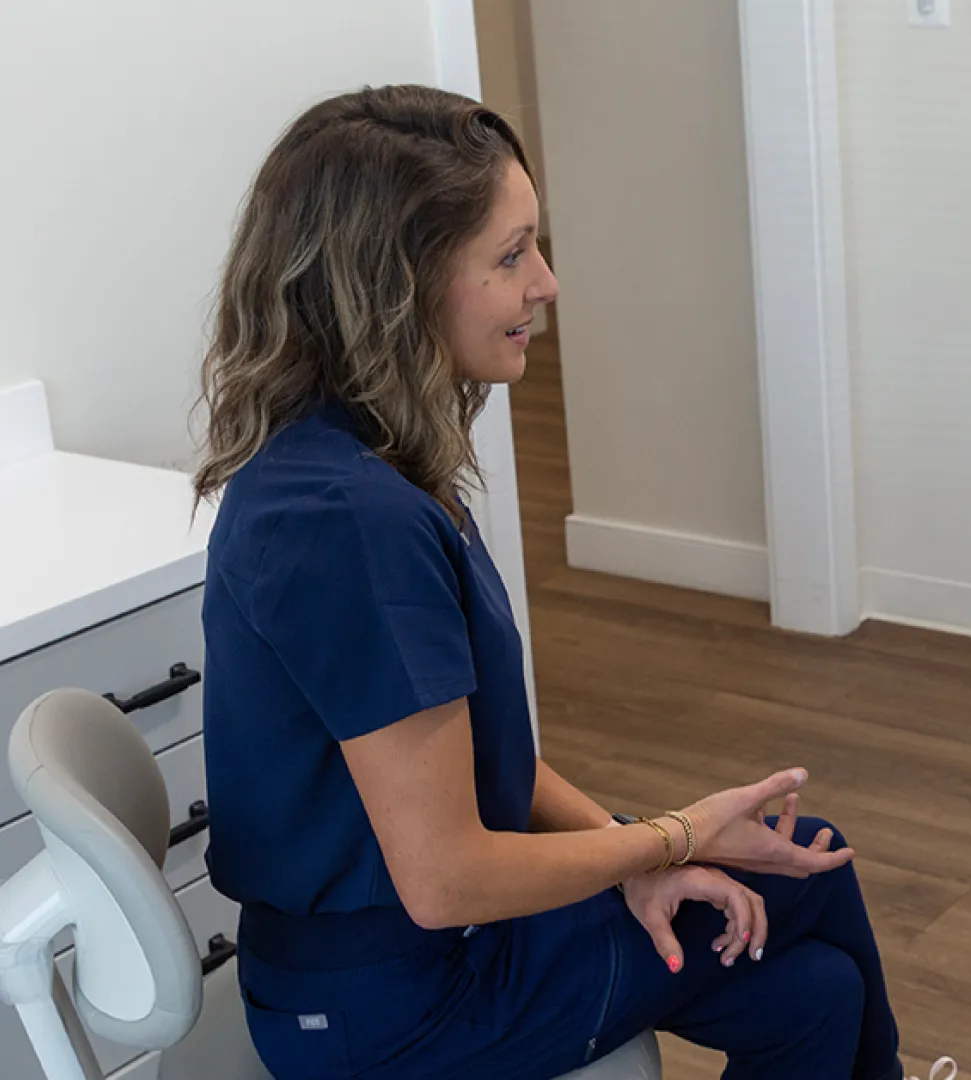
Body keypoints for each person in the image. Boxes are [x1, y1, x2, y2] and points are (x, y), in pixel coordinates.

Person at [193, 85, 932, 1080]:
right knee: (809, 865)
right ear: (398, 284)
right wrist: (667, 840)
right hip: (394, 1014)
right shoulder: (348, 526)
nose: (546, 283)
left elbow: (474, 763)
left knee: (811, 998)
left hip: (413, 965)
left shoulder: (345, 465)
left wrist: (648, 858)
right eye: (510, 256)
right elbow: (447, 879)